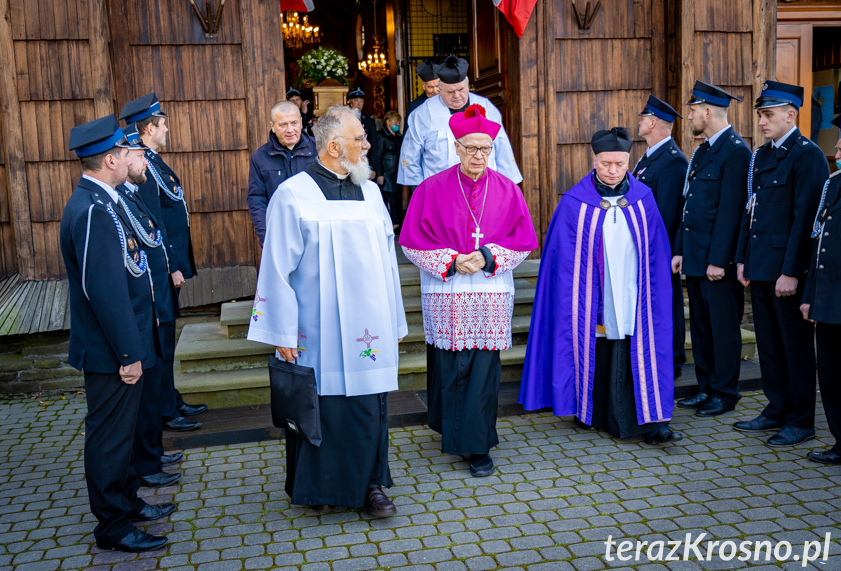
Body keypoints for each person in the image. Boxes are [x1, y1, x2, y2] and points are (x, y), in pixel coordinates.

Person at [247, 106, 407, 516]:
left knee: (369, 405)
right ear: (335, 146)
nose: (368, 145)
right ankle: (320, 488)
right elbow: (277, 266)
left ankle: (371, 486)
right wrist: (281, 333)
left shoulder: (371, 193)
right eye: (360, 139)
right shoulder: (293, 194)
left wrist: (396, 319)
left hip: (368, 329)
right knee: (322, 407)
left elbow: (389, 261)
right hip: (317, 331)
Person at [399, 104, 537, 477]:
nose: (479, 156)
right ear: (456, 147)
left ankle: (477, 446)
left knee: (482, 371)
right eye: (471, 148)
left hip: (489, 293)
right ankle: (452, 430)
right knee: (450, 367)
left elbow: (524, 240)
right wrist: (450, 260)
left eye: (486, 149)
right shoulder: (430, 188)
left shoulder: (508, 189)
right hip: (448, 292)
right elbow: (411, 240)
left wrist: (488, 256)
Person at [520, 127, 681, 445]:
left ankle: (648, 422)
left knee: (637, 349)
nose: (612, 170)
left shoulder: (643, 198)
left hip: (634, 295)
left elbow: (657, 252)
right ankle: (589, 411)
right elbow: (560, 261)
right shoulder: (574, 202)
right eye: (606, 163)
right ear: (593, 160)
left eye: (620, 164)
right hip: (592, 300)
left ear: (628, 162)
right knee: (600, 348)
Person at [61, 115, 174, 553]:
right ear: (110, 159)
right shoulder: (91, 210)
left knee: (122, 435)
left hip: (123, 347)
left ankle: (128, 500)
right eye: (127, 153)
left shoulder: (104, 202)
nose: (134, 157)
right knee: (109, 439)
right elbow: (104, 292)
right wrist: (129, 353)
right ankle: (113, 526)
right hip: (110, 353)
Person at [734, 81, 830, 446]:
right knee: (770, 344)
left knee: (795, 346)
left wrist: (791, 271)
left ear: (791, 115)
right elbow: (751, 210)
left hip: (786, 271)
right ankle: (776, 409)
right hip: (759, 266)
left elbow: (805, 220)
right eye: (760, 114)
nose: (761, 121)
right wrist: (743, 258)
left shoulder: (807, 156)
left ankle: (801, 419)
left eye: (768, 114)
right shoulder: (762, 156)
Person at [119, 93, 207, 433]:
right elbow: (152, 222)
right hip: (163, 267)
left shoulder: (152, 162)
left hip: (171, 263)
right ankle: (166, 408)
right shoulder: (144, 168)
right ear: (148, 129)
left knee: (168, 340)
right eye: (163, 124)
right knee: (163, 341)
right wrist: (172, 266)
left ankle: (171, 398)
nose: (167, 129)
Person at [671, 81, 751, 416]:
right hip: (696, 257)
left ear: (707, 111)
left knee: (723, 328)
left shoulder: (735, 151)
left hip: (717, 263)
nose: (688, 117)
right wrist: (680, 250)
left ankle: (725, 392)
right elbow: (689, 206)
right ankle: (705, 387)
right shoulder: (703, 150)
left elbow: (732, 212)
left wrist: (720, 260)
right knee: (701, 327)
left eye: (692, 111)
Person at [118, 124, 184, 488]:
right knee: (141, 398)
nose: (146, 161)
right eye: (140, 155)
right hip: (141, 313)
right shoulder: (113, 202)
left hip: (153, 303)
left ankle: (151, 455)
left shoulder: (132, 195)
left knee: (153, 384)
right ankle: (146, 462)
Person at [397, 55, 522, 186]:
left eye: (461, 89)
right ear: (440, 90)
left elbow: (503, 151)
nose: (457, 96)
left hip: (485, 189)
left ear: (468, 86)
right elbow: (410, 157)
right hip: (441, 191)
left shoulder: (486, 107)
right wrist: (423, 193)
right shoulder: (422, 114)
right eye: (450, 92)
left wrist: (506, 188)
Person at [634, 95, 688, 380]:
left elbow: (668, 214)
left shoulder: (672, 161)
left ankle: (674, 360)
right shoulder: (650, 156)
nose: (639, 122)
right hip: (645, 247)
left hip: (659, 248)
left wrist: (658, 251)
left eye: (643, 118)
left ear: (653, 122)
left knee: (668, 303)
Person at [801, 114, 841, 464]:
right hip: (829, 302)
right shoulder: (835, 183)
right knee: (829, 374)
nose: (837, 150)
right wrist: (810, 295)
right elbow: (820, 244)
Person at [247, 101, 317, 245]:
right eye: (283, 124)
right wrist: (266, 237)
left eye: (294, 123)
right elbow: (257, 198)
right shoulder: (260, 157)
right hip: (280, 234)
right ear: (273, 127)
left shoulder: (319, 150)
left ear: (301, 123)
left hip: (315, 232)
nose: (290, 129)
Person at [347, 88, 381, 181]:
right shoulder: (344, 118)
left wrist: (373, 168)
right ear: (349, 102)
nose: (358, 104)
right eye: (355, 100)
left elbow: (373, 145)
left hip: (364, 162)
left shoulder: (369, 120)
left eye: (361, 101)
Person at [377, 110, 404, 230]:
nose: (397, 124)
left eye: (398, 122)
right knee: (389, 199)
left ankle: (398, 223)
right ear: (388, 122)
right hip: (387, 172)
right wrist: (379, 174)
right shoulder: (381, 136)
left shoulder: (398, 137)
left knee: (397, 198)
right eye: (395, 122)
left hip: (397, 173)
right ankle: (393, 224)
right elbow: (377, 155)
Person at [403, 59, 440, 133]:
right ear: (423, 86)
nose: (435, 91)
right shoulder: (415, 106)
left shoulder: (449, 101)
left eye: (438, 86)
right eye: (430, 87)